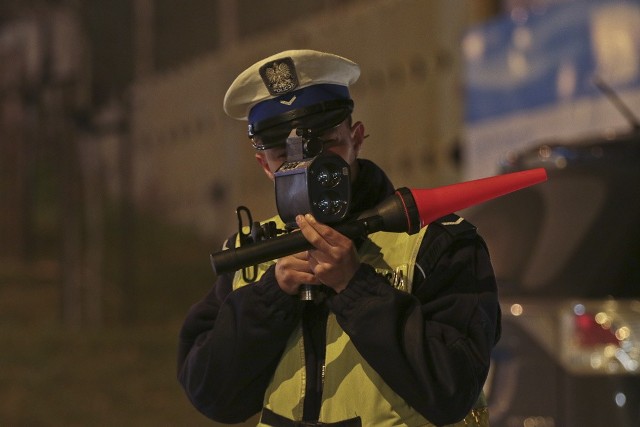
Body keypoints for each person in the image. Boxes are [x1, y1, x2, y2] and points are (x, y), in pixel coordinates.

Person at [177, 49, 500, 427]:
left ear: (356, 137)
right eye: (285, 155)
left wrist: (355, 287)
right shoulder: (250, 254)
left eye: (325, 145)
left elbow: (452, 389)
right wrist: (271, 297)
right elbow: (211, 394)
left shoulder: (435, 242)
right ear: (264, 166)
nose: (309, 167)